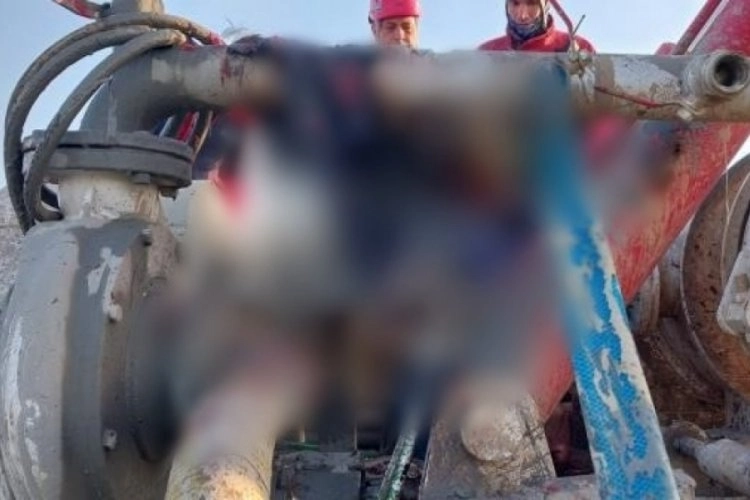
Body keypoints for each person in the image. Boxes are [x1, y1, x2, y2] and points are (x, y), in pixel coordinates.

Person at [479, 0, 593, 53]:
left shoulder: (579, 48)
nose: (522, 15)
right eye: (515, 3)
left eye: (531, 3)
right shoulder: (487, 51)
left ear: (546, 6)